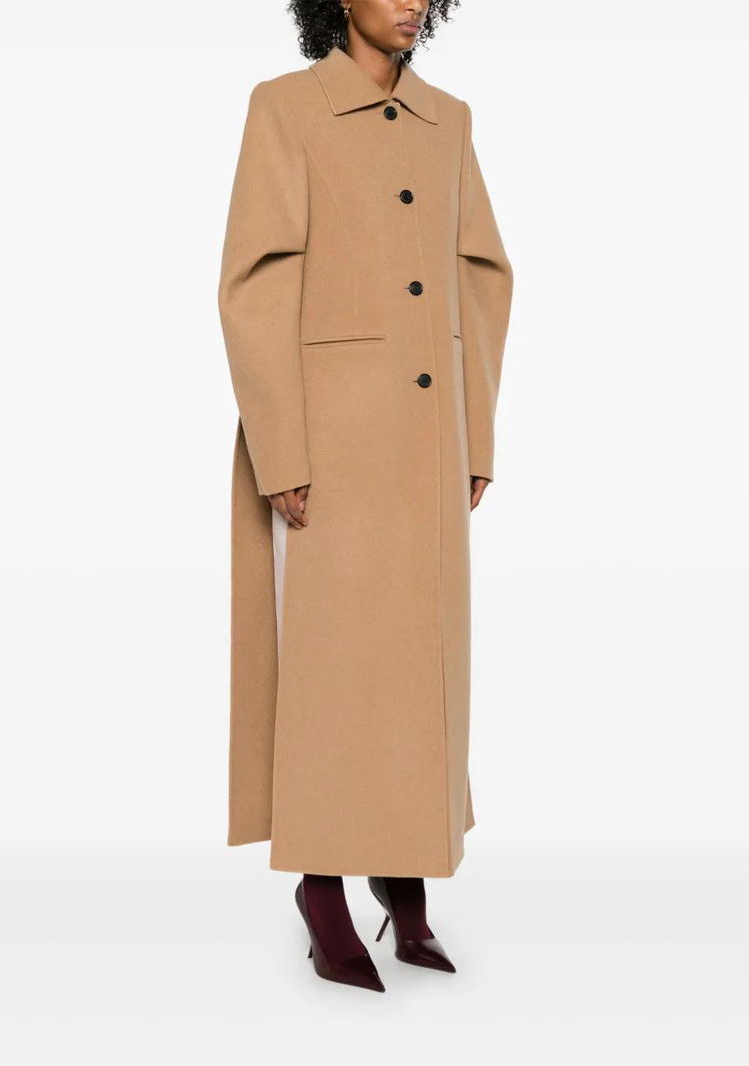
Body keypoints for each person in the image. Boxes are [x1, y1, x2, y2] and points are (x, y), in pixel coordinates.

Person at [217, 0, 513, 993]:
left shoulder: (448, 121)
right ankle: (321, 884)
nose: (410, 1)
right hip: (328, 443)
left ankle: (403, 870)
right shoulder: (285, 108)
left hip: (428, 444)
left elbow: (482, 276)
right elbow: (253, 283)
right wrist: (280, 446)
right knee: (333, 668)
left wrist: (476, 430)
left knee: (419, 665)